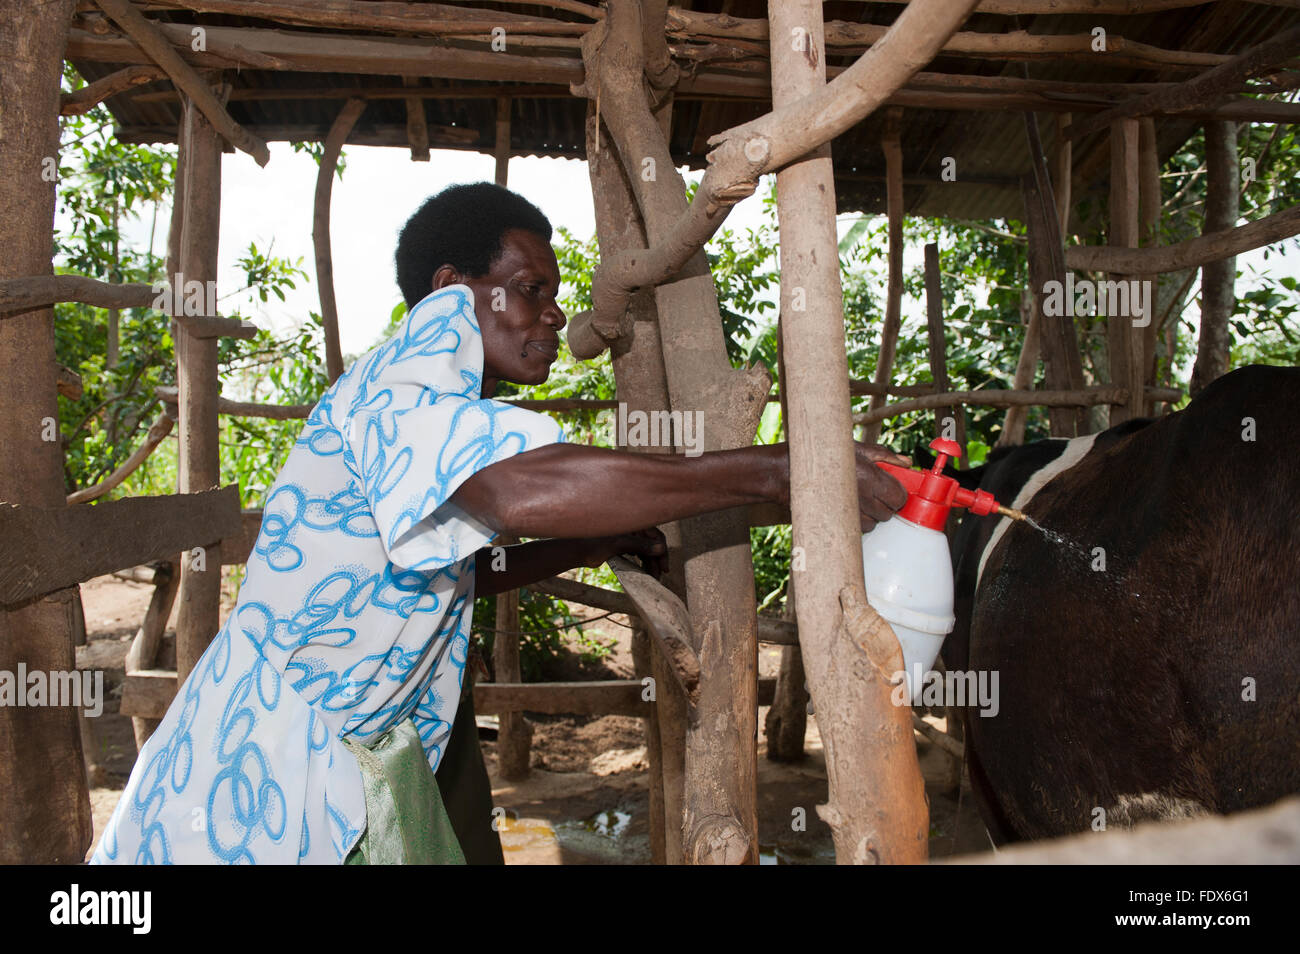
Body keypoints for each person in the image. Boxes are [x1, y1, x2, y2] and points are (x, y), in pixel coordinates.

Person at [91, 182, 907, 865]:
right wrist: (769, 469)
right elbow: (514, 492)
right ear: (453, 290)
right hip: (257, 762)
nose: (551, 314)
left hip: (322, 751)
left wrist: (594, 541)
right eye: (531, 289)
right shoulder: (401, 387)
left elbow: (454, 574)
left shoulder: (428, 411)